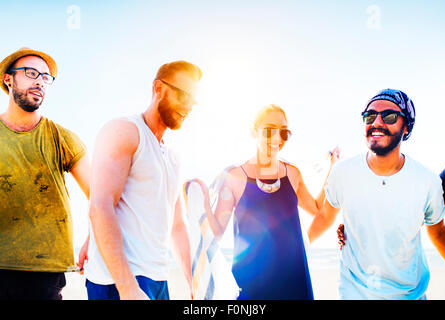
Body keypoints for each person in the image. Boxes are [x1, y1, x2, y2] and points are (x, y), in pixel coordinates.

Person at [308, 89, 445, 299]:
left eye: (389, 116)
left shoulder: (428, 182)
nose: (377, 122)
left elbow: (436, 231)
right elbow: (326, 216)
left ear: (406, 127)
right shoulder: (343, 172)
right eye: (370, 116)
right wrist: (295, 254)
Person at [83, 60, 202, 300]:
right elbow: (101, 206)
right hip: (118, 282)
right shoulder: (124, 131)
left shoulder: (173, 156)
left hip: (158, 278)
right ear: (158, 89)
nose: (188, 106)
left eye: (193, 100)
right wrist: (127, 288)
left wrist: (192, 282)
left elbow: (177, 224)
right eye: (183, 96)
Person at [194, 104, 339, 300]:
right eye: (270, 130)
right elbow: (216, 232)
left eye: (284, 133)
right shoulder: (235, 177)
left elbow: (316, 208)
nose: (277, 139)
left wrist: (333, 168)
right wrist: (201, 201)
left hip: (294, 277)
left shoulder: (292, 174)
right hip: (251, 282)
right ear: (254, 131)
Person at [0, 48, 90, 300]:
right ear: (9, 79)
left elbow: (102, 195)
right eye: (31, 73)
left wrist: (93, 239)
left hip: (45, 274)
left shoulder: (63, 138)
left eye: (46, 77)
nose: (40, 80)